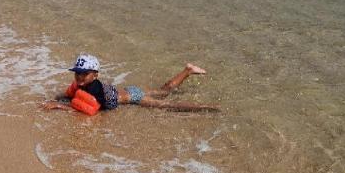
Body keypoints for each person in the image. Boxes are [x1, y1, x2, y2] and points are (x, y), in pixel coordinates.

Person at [42, 53, 219, 114]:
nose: (79, 77)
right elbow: (72, 96)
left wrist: (59, 106)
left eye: (84, 74)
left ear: (95, 75)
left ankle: (206, 107)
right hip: (128, 90)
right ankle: (188, 70)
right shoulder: (86, 85)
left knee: (166, 104)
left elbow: (89, 109)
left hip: (133, 97)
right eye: (77, 74)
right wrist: (59, 97)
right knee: (163, 91)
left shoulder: (94, 88)